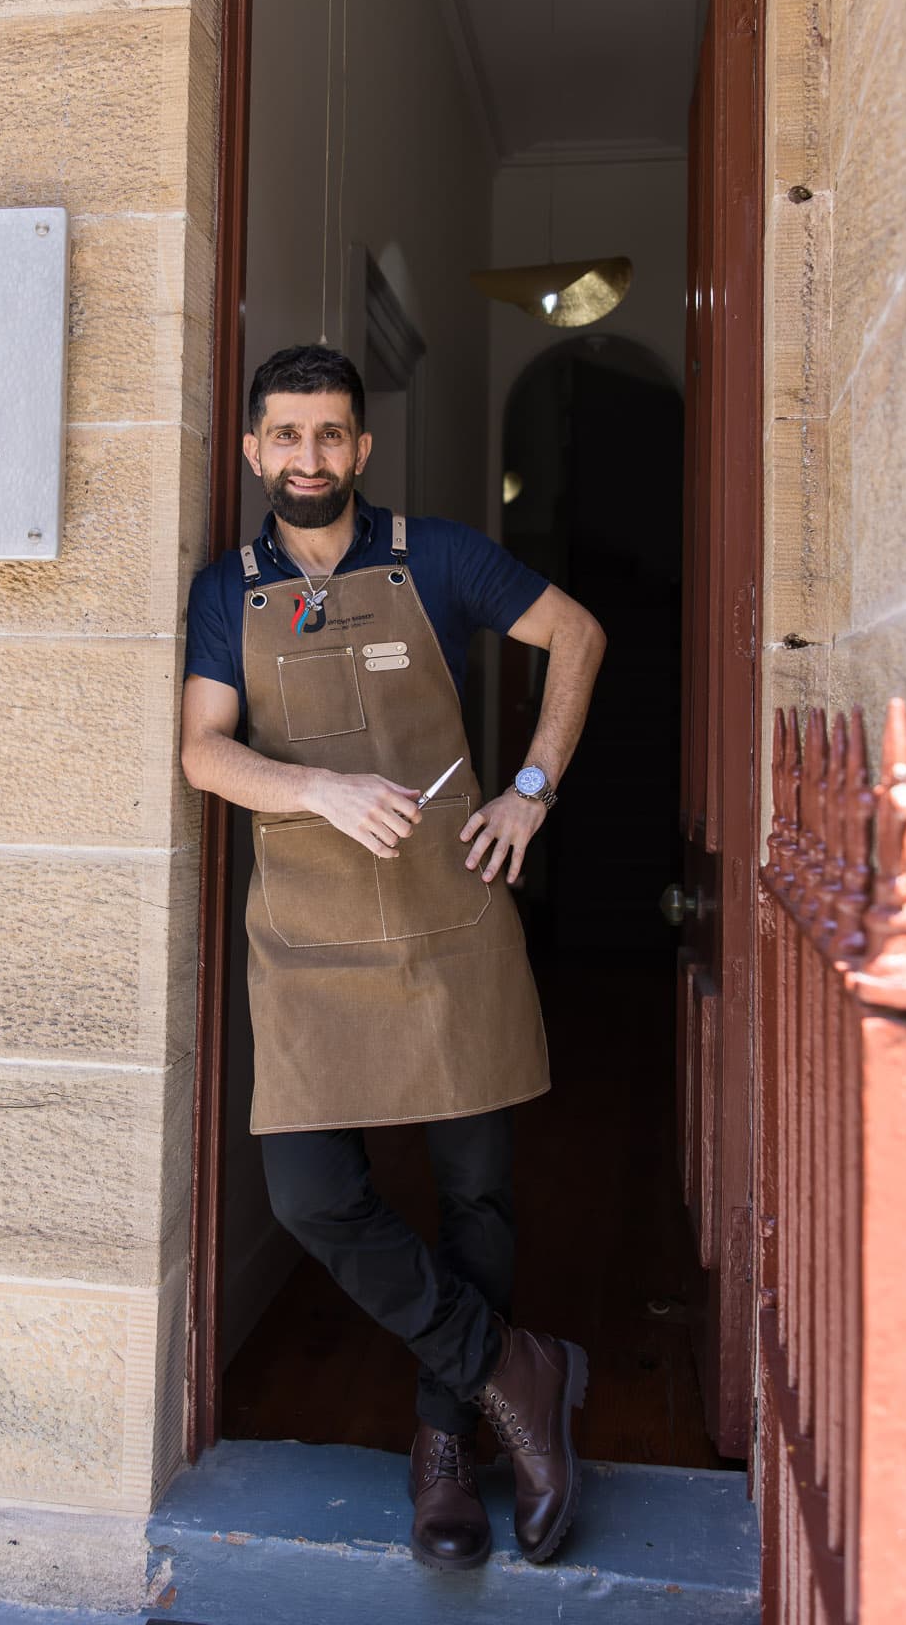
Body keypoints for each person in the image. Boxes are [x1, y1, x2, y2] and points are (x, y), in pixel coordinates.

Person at [180, 342, 606, 1572]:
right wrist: (313, 784)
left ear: (361, 448)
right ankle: (510, 1369)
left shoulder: (439, 554)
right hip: (309, 940)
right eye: (286, 435)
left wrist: (529, 786)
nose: (308, 456)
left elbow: (574, 636)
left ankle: (441, 1444)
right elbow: (206, 750)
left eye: (331, 435)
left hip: (451, 916)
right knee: (310, 1193)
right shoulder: (230, 588)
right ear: (256, 449)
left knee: (474, 1191)